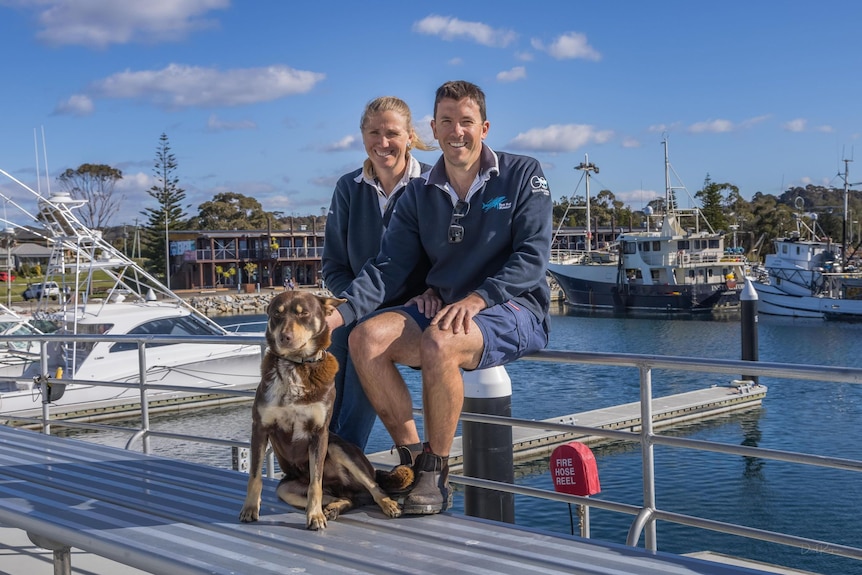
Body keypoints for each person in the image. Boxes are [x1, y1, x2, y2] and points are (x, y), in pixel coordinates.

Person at [328, 80, 552, 514]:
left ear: (483, 127)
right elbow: (387, 268)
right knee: (365, 338)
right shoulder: (419, 193)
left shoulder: (523, 174)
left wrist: (479, 298)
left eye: (465, 121)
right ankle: (414, 460)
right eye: (446, 121)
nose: (456, 132)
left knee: (440, 342)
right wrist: (337, 318)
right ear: (433, 127)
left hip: (513, 307)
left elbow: (532, 258)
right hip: (448, 312)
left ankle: (436, 475)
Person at [322, 96, 436, 450]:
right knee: (338, 340)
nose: (382, 142)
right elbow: (333, 266)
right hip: (360, 305)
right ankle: (331, 453)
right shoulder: (348, 188)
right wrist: (357, 301)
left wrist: (436, 290)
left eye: (392, 133)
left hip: (414, 310)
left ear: (410, 136)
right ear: (362, 135)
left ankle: (341, 456)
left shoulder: (434, 183)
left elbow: (449, 255)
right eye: (373, 132)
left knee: (359, 333)